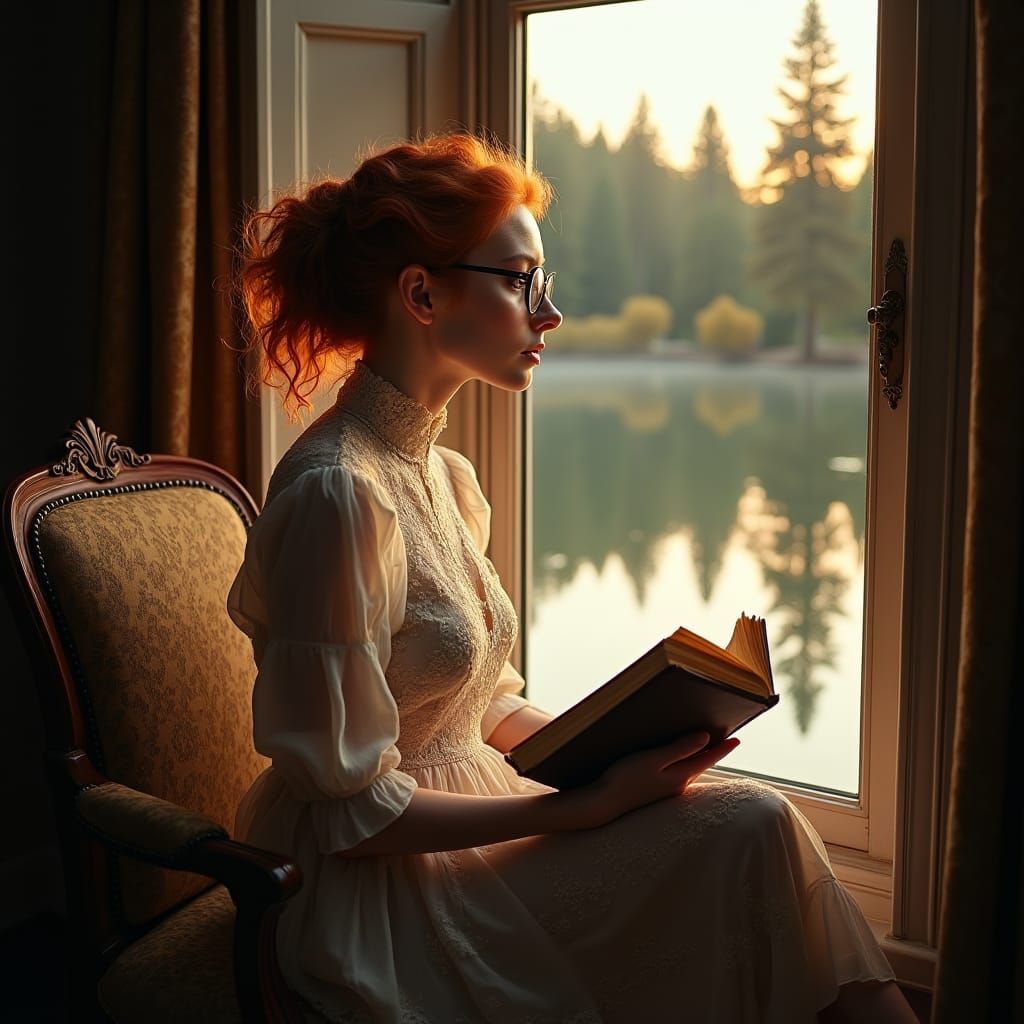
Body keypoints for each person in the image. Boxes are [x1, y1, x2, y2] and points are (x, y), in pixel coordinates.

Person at [227, 133, 917, 1024]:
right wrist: (584, 810)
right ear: (422, 292)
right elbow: (352, 816)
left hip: (479, 814)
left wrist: (621, 749)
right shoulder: (338, 495)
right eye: (521, 281)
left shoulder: (442, 477)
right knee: (751, 834)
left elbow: (478, 706)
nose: (549, 313)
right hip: (378, 886)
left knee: (748, 818)